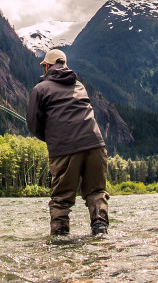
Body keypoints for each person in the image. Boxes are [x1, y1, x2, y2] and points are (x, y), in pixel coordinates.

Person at [27, 49, 109, 236]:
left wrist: (52, 139)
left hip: (64, 149)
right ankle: (101, 231)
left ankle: (60, 241)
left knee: (61, 200)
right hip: (95, 145)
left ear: (46, 66)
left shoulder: (39, 90)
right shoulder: (79, 85)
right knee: (96, 192)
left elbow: (33, 124)